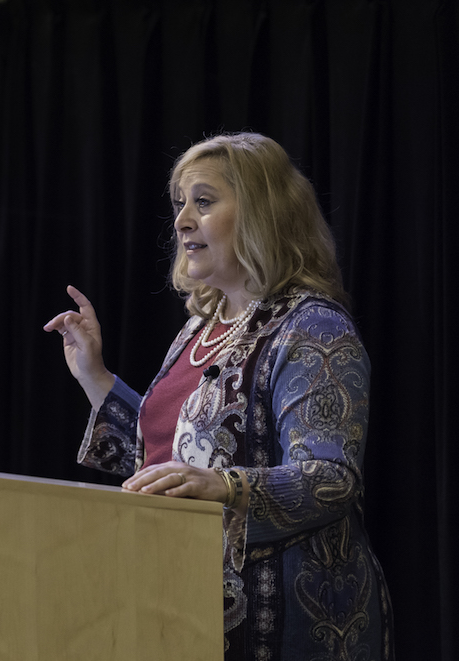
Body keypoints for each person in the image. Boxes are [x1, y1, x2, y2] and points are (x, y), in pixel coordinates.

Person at [44, 132, 394, 660]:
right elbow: (173, 461)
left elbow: (331, 479)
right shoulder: (199, 330)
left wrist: (225, 486)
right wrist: (95, 376)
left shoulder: (314, 329)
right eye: (180, 203)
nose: (183, 219)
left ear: (262, 213)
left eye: (203, 202)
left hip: (284, 627)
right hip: (182, 605)